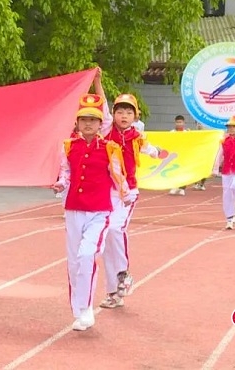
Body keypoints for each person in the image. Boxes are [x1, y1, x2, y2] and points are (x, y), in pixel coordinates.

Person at [52, 93, 129, 331]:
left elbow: (119, 177)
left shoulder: (110, 148)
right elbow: (66, 173)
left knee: (87, 255)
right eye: (84, 119)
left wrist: (125, 196)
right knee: (75, 262)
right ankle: (78, 310)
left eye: (93, 120)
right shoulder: (68, 146)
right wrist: (60, 184)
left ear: (100, 124)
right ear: (77, 121)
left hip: (99, 212)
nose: (88, 123)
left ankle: (86, 310)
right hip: (73, 209)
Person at [99, 93, 160, 310]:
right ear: (114, 114)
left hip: (127, 193)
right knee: (106, 240)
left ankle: (124, 273)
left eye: (128, 112)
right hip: (106, 191)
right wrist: (97, 82)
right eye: (120, 111)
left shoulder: (138, 137)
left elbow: (155, 152)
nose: (123, 116)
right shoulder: (107, 130)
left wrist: (162, 154)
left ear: (135, 116)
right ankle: (113, 292)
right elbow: (103, 107)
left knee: (116, 228)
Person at [169, 115, 189, 195]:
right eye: (177, 122)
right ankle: (174, 187)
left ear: (184, 123)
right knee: (174, 171)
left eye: (180, 122)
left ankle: (182, 188)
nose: (179, 124)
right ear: (175, 123)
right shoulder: (171, 133)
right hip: (174, 155)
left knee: (183, 171)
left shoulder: (187, 133)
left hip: (183, 155)